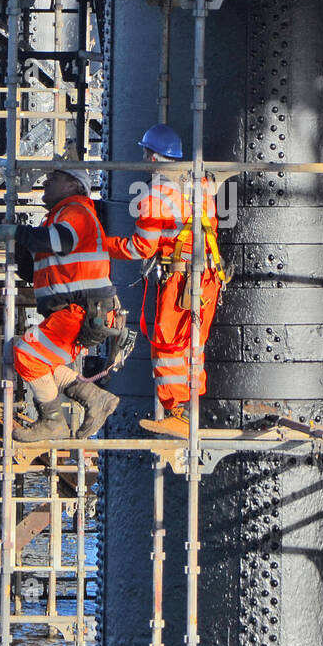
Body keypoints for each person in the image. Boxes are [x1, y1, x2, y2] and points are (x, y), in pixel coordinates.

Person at [105, 123, 226, 432]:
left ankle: (177, 412)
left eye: (146, 153)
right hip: (207, 276)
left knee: (168, 343)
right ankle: (190, 407)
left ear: (154, 157)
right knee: (192, 344)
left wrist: (101, 244)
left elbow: (140, 247)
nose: (144, 159)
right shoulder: (200, 183)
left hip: (180, 280)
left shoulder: (157, 192)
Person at [0, 165, 121, 442]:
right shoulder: (57, 218)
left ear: (74, 186)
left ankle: (53, 421)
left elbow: (57, 241)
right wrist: (20, 250)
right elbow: (36, 269)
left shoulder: (76, 212)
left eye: (55, 178)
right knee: (29, 353)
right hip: (75, 312)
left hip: (82, 311)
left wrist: (18, 232)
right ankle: (93, 398)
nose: (47, 181)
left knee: (27, 353)